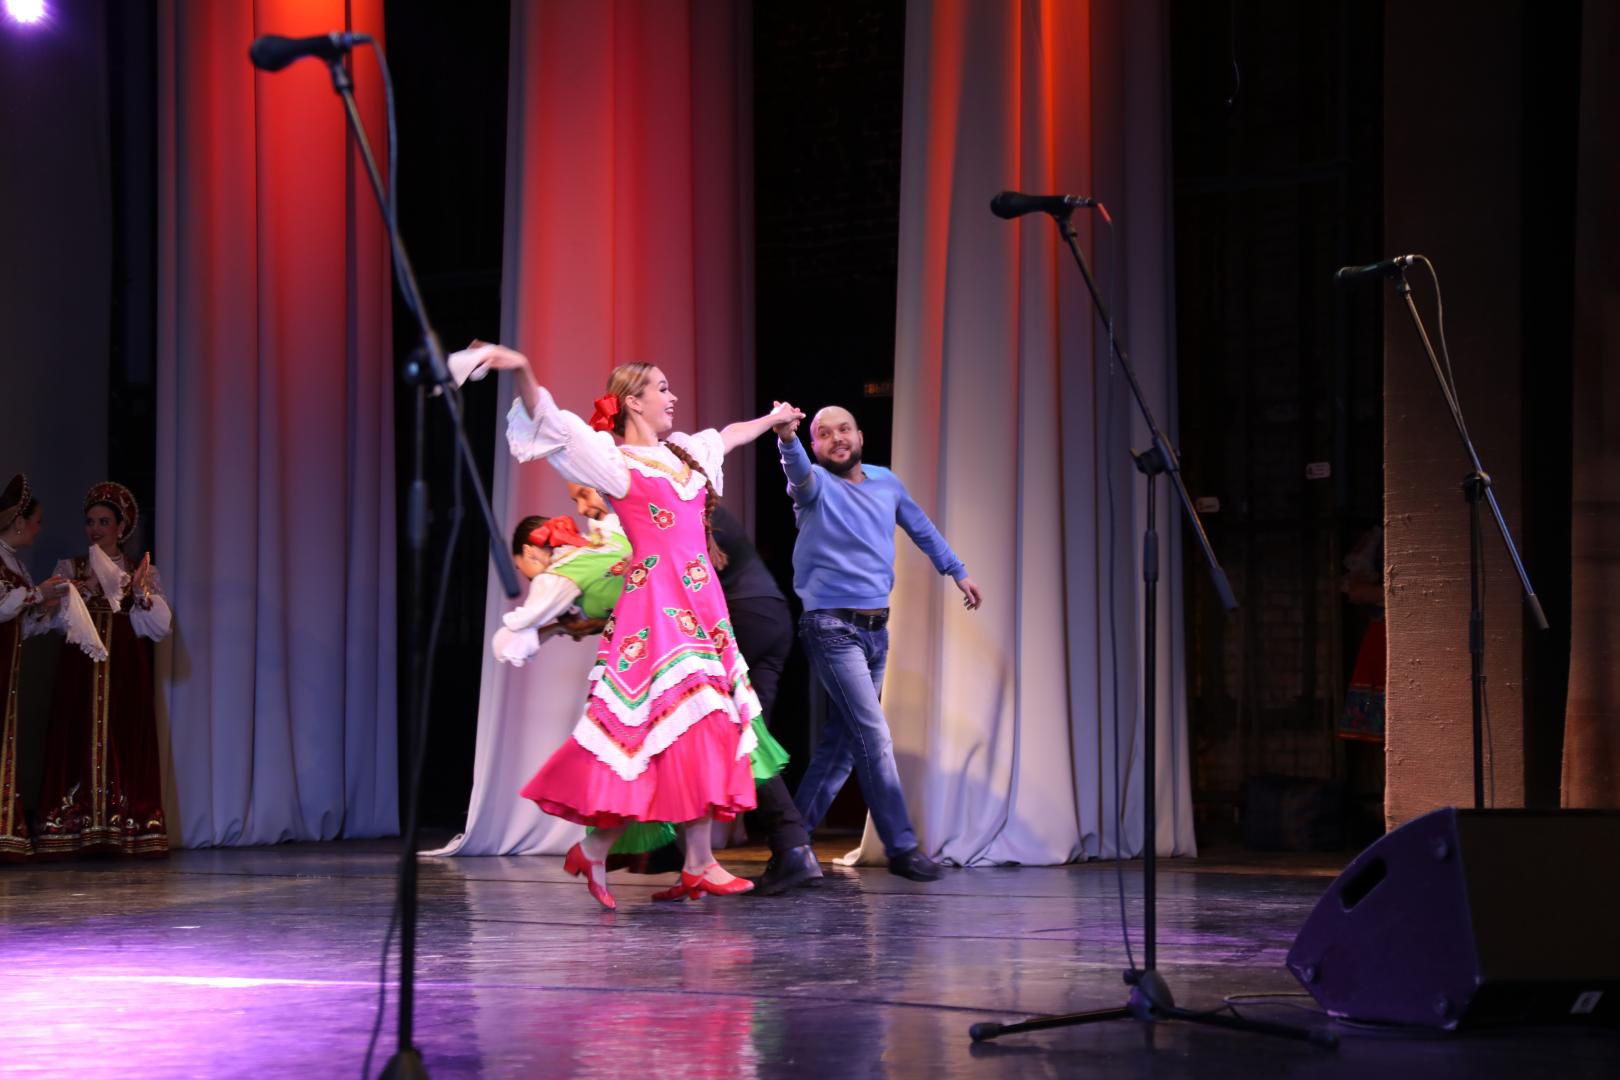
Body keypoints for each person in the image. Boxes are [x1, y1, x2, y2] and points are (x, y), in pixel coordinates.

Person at [471, 342, 802, 909]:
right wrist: (523, 367)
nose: (672, 397)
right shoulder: (615, 462)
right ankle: (670, 858)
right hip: (655, 611)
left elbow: (728, 435)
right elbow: (550, 420)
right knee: (658, 730)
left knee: (699, 725)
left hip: (701, 607)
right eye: (662, 389)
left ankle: (661, 857)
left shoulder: (685, 453)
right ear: (633, 401)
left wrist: (773, 421)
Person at [776, 405, 982, 882]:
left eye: (844, 429)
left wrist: (957, 571)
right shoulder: (813, 487)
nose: (836, 438)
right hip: (831, 627)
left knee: (842, 745)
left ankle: (791, 845)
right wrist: (787, 440)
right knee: (873, 736)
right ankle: (902, 847)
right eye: (823, 434)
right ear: (815, 446)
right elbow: (797, 472)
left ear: (860, 436)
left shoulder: (886, 482)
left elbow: (921, 527)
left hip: (875, 631)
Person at [34, 482, 172, 856]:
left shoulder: (139, 572)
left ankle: (125, 825)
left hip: (124, 668)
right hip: (80, 667)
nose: (95, 529)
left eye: (104, 521)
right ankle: (76, 824)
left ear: (121, 527)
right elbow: (52, 620)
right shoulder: (71, 568)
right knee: (76, 730)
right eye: (90, 521)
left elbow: (159, 627)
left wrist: (140, 594)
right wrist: (79, 589)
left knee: (123, 732)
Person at [0, 475, 70, 860]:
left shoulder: (18, 566)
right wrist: (34, 594)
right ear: (19, 521)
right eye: (37, 521)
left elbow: (23, 625)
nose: (39, 529)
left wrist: (47, 606)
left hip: (8, 669)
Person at [492, 503, 630, 667]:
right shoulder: (607, 531)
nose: (524, 576)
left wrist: (557, 628)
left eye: (519, 567)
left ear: (528, 552)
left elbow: (505, 645)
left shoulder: (556, 576)